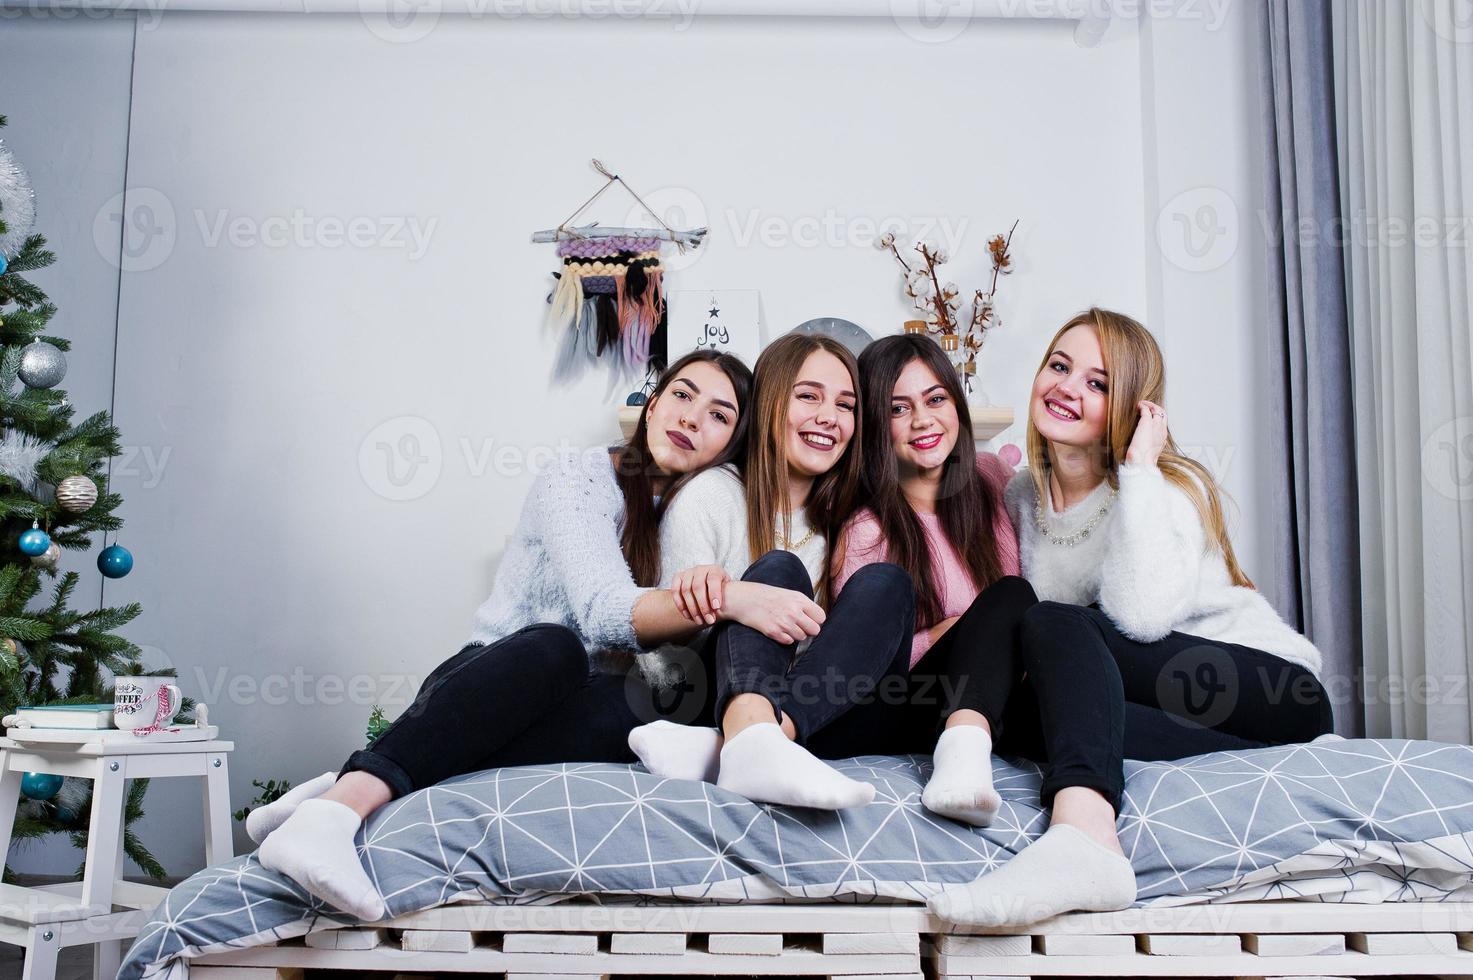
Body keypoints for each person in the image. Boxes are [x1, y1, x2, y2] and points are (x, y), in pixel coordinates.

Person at [250, 348, 753, 921]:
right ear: (654, 402)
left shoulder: (697, 516)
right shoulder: (580, 476)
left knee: (641, 704)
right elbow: (599, 611)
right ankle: (330, 815)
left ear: (731, 448)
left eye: (719, 415)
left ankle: (334, 792)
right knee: (557, 647)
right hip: (496, 678)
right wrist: (733, 597)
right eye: (683, 395)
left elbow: (666, 665)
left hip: (574, 710)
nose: (691, 418)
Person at [927, 307, 1334, 928]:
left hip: (1269, 691)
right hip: (1188, 718)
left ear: (1132, 409)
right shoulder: (1021, 496)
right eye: (1060, 367)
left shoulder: (1161, 490)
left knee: (1055, 623)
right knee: (1028, 718)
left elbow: (1141, 620)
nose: (1067, 387)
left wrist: (1141, 468)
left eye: (1098, 383)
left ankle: (1086, 841)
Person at [628, 332, 915, 810]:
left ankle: (749, 745)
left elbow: (861, 653)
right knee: (779, 570)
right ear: (770, 405)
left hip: (826, 714)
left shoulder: (853, 523)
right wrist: (736, 601)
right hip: (711, 699)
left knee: (889, 583)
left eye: (845, 405)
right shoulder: (712, 495)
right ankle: (750, 737)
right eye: (808, 396)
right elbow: (672, 660)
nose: (828, 417)